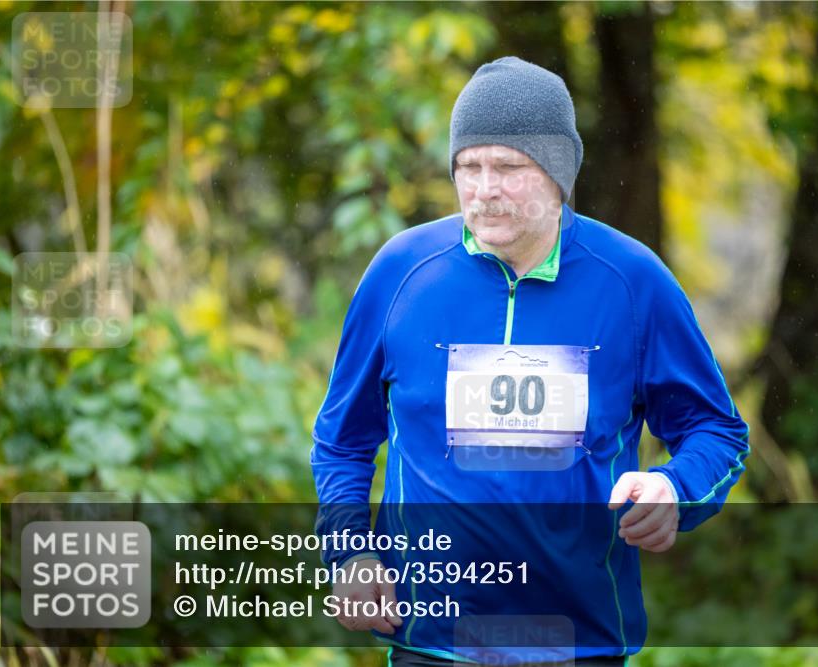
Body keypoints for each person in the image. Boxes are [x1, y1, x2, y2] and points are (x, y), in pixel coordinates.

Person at [311, 56, 750, 666]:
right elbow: (342, 440)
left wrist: (676, 489)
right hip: (431, 643)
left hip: (579, 642)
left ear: (558, 174)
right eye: (468, 166)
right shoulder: (400, 273)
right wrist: (350, 552)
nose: (484, 189)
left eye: (509, 168)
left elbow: (717, 430)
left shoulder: (632, 282)